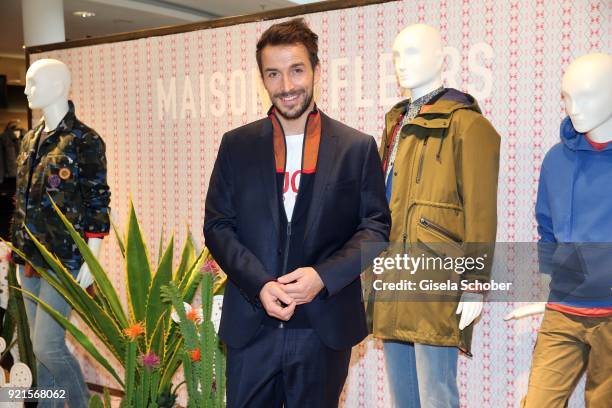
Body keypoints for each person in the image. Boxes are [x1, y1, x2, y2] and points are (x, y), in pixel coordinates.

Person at [204, 18, 390, 408]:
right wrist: (259, 284)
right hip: (252, 323)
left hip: (322, 328)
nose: (286, 86)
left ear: (316, 71)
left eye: (296, 70)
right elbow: (218, 226)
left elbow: (375, 229)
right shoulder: (236, 145)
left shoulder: (355, 148)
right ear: (263, 79)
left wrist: (322, 277)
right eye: (274, 74)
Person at [372, 24, 500, 407]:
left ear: (440, 58)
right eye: (396, 56)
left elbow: (481, 210)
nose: (401, 64)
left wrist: (475, 281)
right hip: (391, 274)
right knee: (403, 397)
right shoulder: (395, 124)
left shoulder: (468, 125)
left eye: (411, 52)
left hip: (435, 278)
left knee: (436, 395)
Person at [506, 53, 612, 408]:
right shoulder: (556, 159)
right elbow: (547, 229)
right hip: (564, 309)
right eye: (567, 96)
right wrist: (545, 283)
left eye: (587, 95)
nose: (574, 107)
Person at [12, 58, 111, 407]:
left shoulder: (85, 140)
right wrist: (15, 245)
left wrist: (93, 255)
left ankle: (82, 403)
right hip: (29, 259)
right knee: (40, 354)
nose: (25, 90)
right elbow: (23, 198)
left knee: (47, 345)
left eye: (33, 83)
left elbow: (97, 200)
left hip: (64, 258)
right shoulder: (29, 140)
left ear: (58, 86)